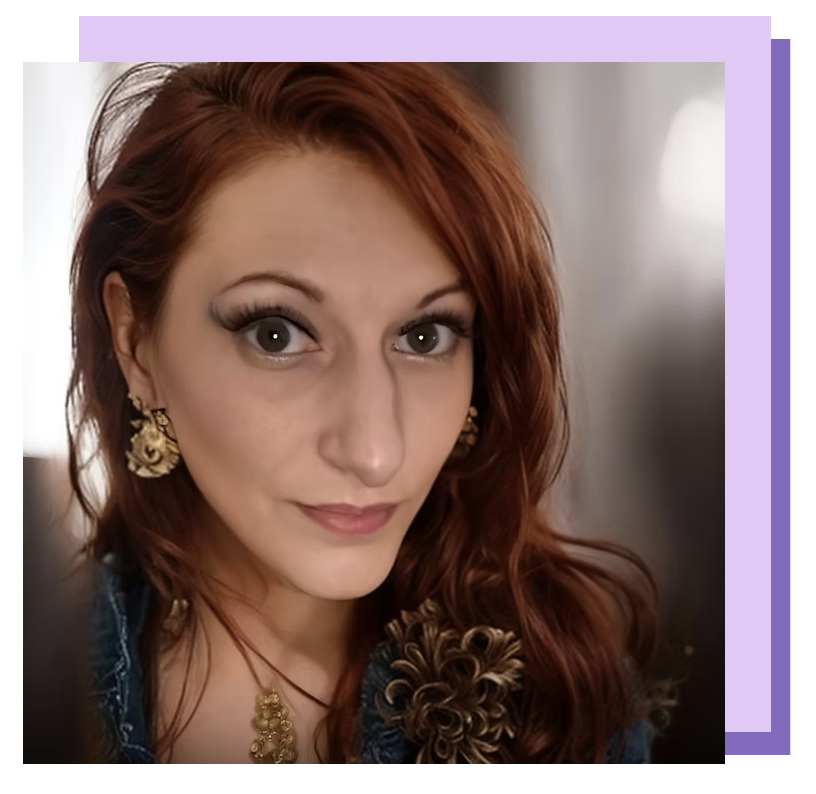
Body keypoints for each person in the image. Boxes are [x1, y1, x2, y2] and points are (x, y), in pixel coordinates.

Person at [66, 62, 663, 764]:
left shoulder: (566, 709)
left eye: (425, 336)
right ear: (136, 341)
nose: (375, 451)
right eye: (276, 335)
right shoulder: (36, 686)